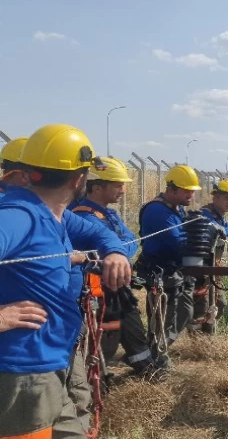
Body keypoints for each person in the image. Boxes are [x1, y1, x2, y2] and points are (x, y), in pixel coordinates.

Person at [0, 124, 131, 439]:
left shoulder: (52, 213)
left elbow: (98, 232)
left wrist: (114, 252)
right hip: (23, 369)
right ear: (79, 179)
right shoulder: (19, 216)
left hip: (51, 362)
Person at [69, 157, 153, 373]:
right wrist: (120, 249)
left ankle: (142, 365)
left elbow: (131, 241)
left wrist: (120, 249)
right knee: (102, 341)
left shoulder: (108, 214)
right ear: (96, 187)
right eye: (118, 185)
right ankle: (98, 380)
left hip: (113, 288)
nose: (123, 190)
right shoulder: (84, 218)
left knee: (127, 325)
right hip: (98, 293)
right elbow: (126, 247)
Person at [135, 164, 201, 364]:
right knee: (161, 318)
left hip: (174, 270)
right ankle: (156, 357)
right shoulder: (157, 211)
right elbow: (177, 241)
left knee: (183, 311)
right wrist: (200, 239)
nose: (191, 195)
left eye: (192, 191)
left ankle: (158, 349)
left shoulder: (177, 208)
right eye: (187, 190)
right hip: (159, 273)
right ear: (172, 189)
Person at [191, 179, 228, 333]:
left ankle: (207, 331)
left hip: (214, 269)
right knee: (203, 304)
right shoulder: (204, 216)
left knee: (219, 303)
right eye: (227, 198)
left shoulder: (220, 217)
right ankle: (198, 340)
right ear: (215, 197)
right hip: (201, 270)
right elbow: (218, 230)